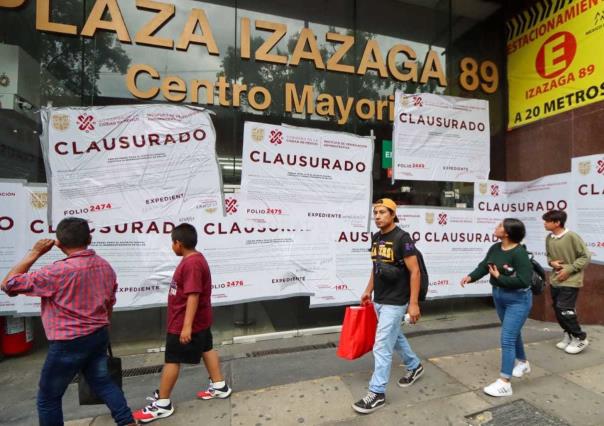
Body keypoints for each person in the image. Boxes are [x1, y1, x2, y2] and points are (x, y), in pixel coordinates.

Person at [0, 217, 135, 426]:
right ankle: (127, 422)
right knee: (103, 382)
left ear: (59, 244)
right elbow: (109, 304)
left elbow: (8, 285)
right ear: (89, 238)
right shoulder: (105, 266)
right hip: (98, 335)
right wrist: (103, 327)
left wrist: (35, 253)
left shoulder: (57, 272)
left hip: (68, 343)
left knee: (48, 397)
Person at [134, 223, 232, 423]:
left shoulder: (192, 264)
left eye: (172, 243)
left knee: (172, 359)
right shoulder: (194, 259)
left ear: (178, 243)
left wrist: (186, 326)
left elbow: (193, 295)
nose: (172, 246)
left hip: (185, 322)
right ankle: (219, 385)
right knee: (207, 348)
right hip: (200, 320)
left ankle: (162, 404)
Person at [352, 198, 424, 414]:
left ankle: (377, 393)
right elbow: (376, 268)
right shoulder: (376, 237)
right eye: (375, 212)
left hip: (397, 301)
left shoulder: (403, 238)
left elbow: (415, 271)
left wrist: (413, 304)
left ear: (393, 214)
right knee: (395, 337)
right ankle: (415, 366)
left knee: (382, 345)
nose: (378, 216)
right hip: (380, 299)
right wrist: (368, 290)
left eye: (383, 212)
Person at [460, 218, 533, 397]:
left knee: (507, 338)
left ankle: (505, 382)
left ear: (507, 233)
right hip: (499, 296)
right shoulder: (495, 248)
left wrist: (500, 277)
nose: (497, 227)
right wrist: (471, 277)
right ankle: (523, 362)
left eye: (500, 225)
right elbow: (485, 266)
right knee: (512, 333)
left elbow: (524, 280)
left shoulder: (519, 253)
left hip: (518, 299)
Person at [542, 210, 591, 354]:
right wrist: (552, 263)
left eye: (547, 221)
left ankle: (580, 338)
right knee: (558, 310)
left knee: (565, 310)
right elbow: (549, 257)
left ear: (557, 223)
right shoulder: (549, 238)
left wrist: (569, 269)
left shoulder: (572, 237)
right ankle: (569, 335)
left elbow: (585, 257)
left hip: (571, 281)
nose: (544, 224)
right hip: (555, 280)